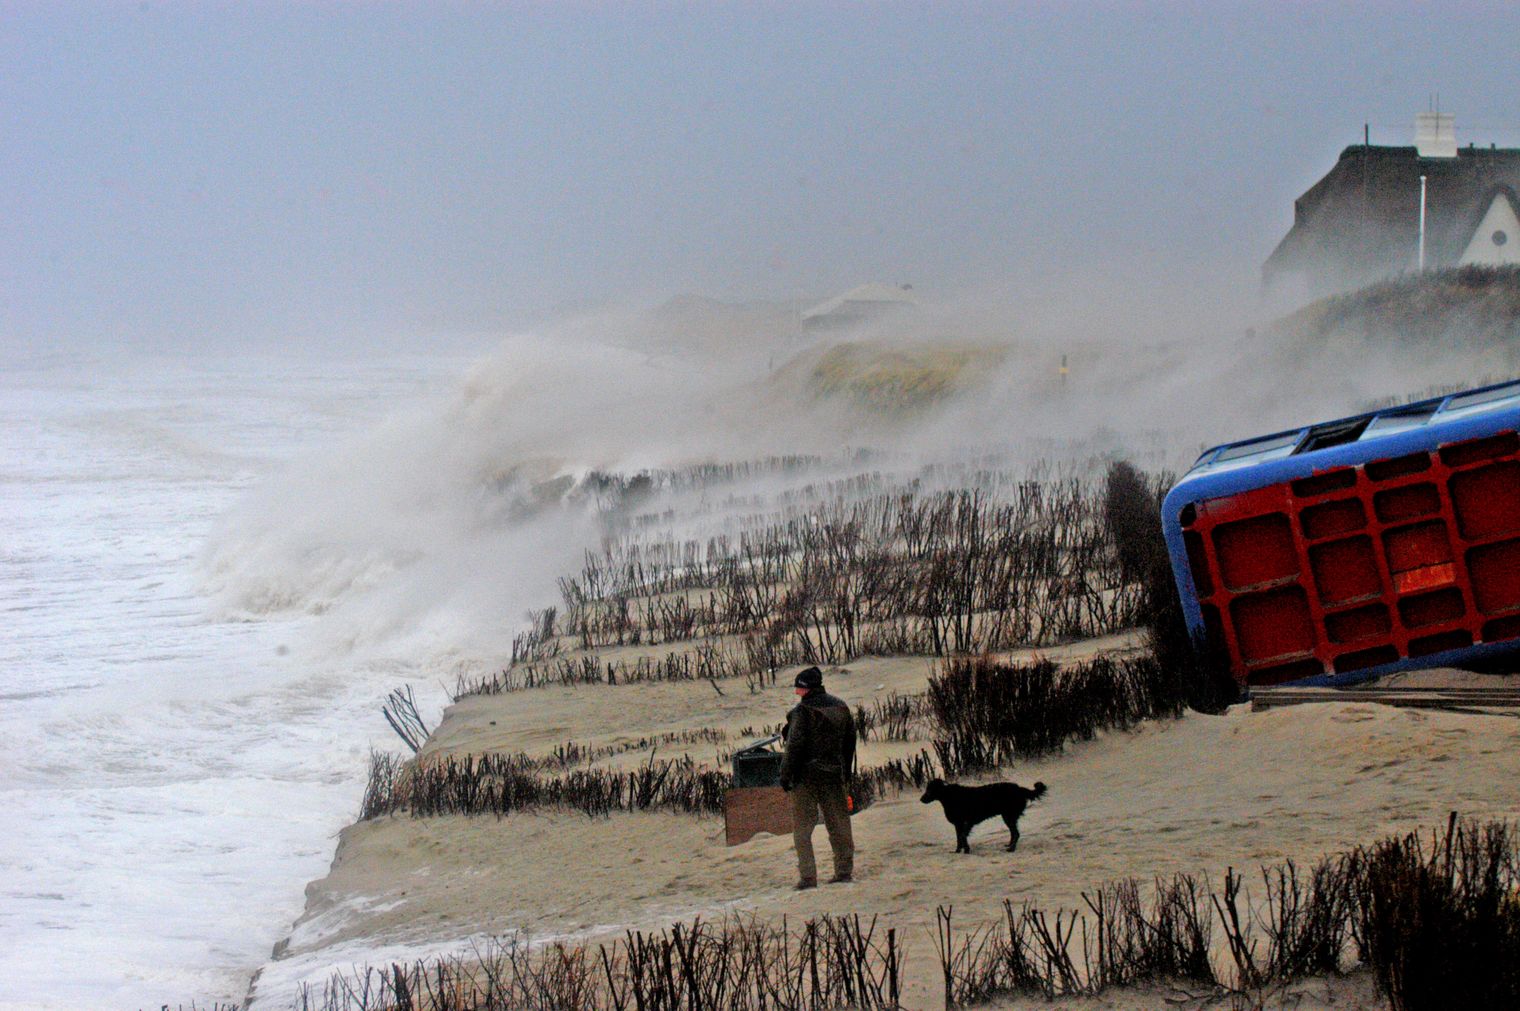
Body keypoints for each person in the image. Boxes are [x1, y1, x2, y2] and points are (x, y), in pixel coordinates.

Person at [779, 665, 856, 889]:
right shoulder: (841, 707)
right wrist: (845, 774)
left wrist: (785, 775)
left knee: (802, 829)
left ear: (806, 689)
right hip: (834, 775)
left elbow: (794, 747)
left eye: (798, 689)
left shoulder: (802, 712)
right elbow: (849, 744)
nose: (796, 693)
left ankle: (808, 877)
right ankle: (843, 872)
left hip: (806, 777)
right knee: (840, 825)